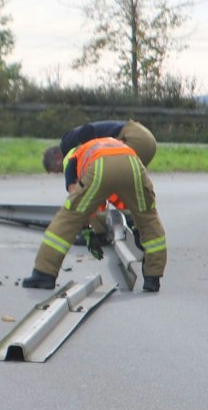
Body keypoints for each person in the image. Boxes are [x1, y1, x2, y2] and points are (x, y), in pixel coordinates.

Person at [23, 119, 167, 292]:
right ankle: (153, 277)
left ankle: (44, 273)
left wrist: (88, 231)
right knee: (148, 217)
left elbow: (78, 201)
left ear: (57, 159)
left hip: (101, 164)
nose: (60, 173)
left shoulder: (72, 153)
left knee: (69, 216)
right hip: (132, 161)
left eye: (58, 171)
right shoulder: (111, 142)